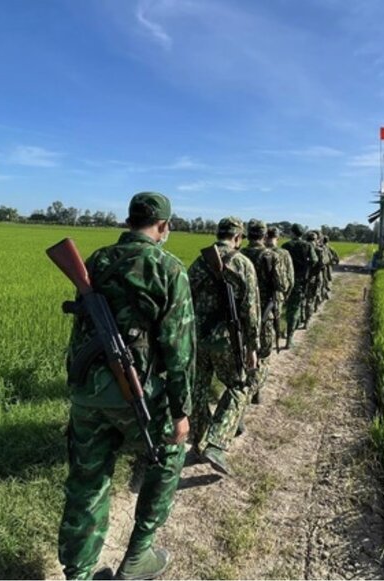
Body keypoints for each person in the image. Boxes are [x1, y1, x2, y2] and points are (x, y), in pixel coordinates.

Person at [58, 192, 195, 581]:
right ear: (164, 226)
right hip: (136, 394)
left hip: (88, 392)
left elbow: (83, 328)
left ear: (130, 219)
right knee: (169, 454)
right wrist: (181, 411)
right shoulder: (168, 268)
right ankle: (139, 555)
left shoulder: (97, 260)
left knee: (86, 481)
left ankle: (79, 572)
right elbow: (179, 348)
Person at [188, 217, 260, 475]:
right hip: (227, 340)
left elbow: (184, 300)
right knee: (240, 386)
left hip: (197, 338)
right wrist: (253, 347)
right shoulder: (242, 263)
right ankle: (217, 442)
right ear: (238, 238)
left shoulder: (198, 262)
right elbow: (251, 310)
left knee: (197, 389)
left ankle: (197, 443)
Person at [241, 219, 287, 405]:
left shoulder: (239, 254)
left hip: (242, 314)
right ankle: (252, 393)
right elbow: (282, 285)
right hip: (264, 314)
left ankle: (244, 387)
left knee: (243, 352)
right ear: (265, 235)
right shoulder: (270, 256)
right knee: (263, 355)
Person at [282, 223, 318, 348]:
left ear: (293, 233)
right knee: (294, 309)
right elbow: (314, 261)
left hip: (285, 281)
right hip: (300, 281)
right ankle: (289, 338)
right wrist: (306, 267)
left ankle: (282, 331)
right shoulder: (307, 246)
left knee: (283, 307)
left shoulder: (285, 246)